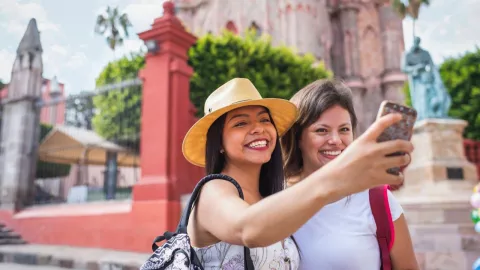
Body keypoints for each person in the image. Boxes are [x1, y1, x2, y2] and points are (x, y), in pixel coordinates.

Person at [182, 78, 413, 269]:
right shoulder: (213, 191)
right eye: (240, 123)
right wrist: (343, 175)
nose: (258, 128)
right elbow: (248, 229)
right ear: (219, 142)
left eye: (264, 120)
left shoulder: (271, 196)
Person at [281, 79, 419, 270]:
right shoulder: (273, 197)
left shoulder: (376, 198)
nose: (336, 140)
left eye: (344, 129)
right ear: (297, 137)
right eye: (322, 130)